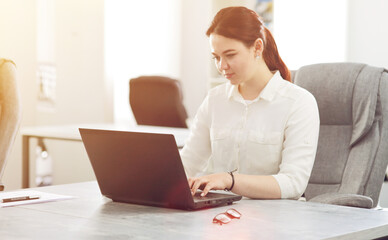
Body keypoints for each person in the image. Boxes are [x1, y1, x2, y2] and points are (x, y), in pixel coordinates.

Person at [180, 6, 320, 200]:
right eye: (216, 57)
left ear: (257, 47)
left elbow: (293, 183)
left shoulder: (299, 103)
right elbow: (187, 165)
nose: (222, 66)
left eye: (230, 55)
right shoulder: (215, 100)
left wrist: (230, 181)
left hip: (278, 222)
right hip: (221, 218)